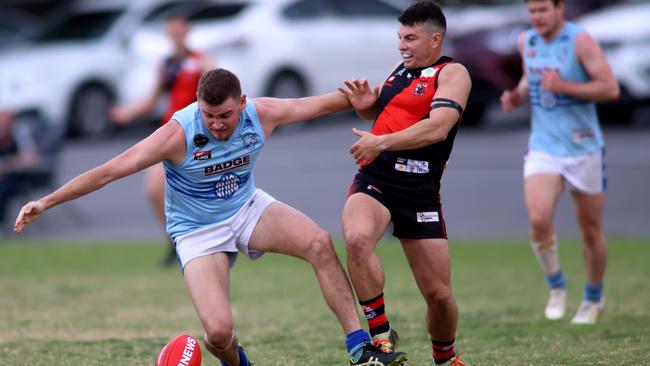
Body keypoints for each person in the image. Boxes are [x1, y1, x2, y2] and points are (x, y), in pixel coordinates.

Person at [14, 68, 407, 366]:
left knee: (319, 243)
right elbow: (110, 170)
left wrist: (374, 94)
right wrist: (46, 201)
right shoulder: (176, 134)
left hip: (246, 207)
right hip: (196, 230)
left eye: (225, 115)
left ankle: (360, 349)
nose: (217, 124)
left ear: (243, 103)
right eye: (208, 115)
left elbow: (327, 103)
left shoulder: (262, 113)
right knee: (219, 334)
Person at [337, 2, 470, 365]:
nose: (402, 45)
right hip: (376, 176)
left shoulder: (453, 73)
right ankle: (381, 337)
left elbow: (438, 126)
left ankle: (445, 357)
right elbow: (388, 110)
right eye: (399, 37)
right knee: (357, 238)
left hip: (420, 190)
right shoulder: (401, 70)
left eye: (410, 38)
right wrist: (366, 106)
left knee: (438, 295)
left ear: (435, 38)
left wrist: (379, 140)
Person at [500, 0, 619, 324]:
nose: (536, 17)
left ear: (559, 8)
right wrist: (516, 96)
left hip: (584, 148)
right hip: (544, 147)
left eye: (542, 10)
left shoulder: (580, 40)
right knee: (538, 218)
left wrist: (565, 86)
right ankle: (556, 287)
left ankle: (593, 298)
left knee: (590, 231)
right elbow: (529, 81)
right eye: (532, 11)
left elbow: (610, 88)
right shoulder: (528, 41)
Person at [110, 14, 213, 266]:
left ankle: (206, 243)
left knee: (200, 193)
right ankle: (175, 242)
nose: (175, 32)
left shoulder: (202, 61)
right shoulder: (166, 64)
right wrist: (127, 113)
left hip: (196, 135)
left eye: (179, 27)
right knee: (154, 190)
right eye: (171, 28)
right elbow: (152, 100)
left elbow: (217, 94)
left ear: (187, 30)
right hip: (169, 132)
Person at [0, 110, 57, 227]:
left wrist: (8, 165)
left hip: (23, 176)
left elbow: (31, 158)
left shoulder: (21, 134)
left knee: (3, 189)